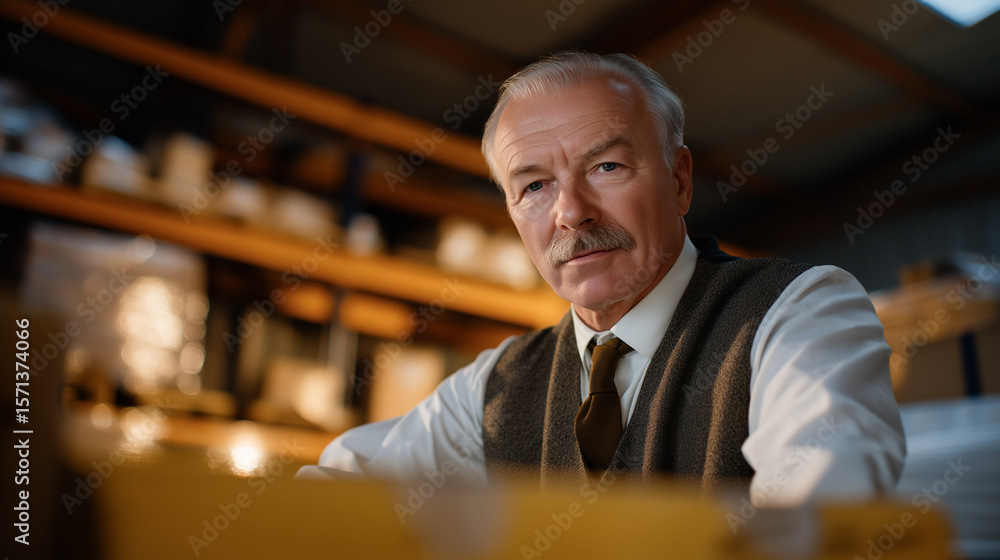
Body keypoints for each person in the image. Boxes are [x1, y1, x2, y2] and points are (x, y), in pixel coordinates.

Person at [309, 51, 905, 504]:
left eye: (606, 165)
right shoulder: (494, 389)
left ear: (678, 180)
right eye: (534, 186)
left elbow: (826, 510)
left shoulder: (795, 312)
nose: (571, 212)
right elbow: (336, 492)